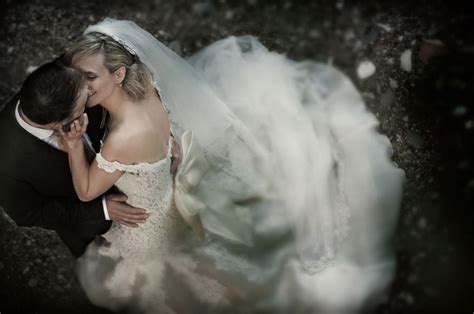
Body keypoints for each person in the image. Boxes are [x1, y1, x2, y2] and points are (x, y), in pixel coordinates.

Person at [61, 18, 405, 314]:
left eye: (89, 76)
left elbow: (86, 189)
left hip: (150, 225)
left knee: (146, 275)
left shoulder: (122, 137)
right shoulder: (147, 88)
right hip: (166, 187)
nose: (80, 85)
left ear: (119, 74)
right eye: (77, 75)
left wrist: (74, 146)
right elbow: (165, 131)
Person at [0, 60, 151, 258]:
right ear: (57, 124)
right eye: (83, 103)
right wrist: (101, 211)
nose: (91, 90)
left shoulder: (68, 72)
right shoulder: (6, 164)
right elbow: (29, 214)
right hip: (89, 216)